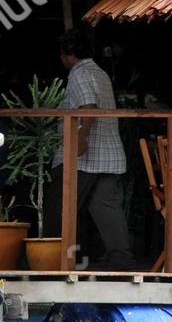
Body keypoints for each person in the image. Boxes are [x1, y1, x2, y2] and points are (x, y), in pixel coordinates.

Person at [44, 30, 132, 270]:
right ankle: (120, 258)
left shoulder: (80, 73)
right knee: (104, 206)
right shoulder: (99, 73)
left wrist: (80, 140)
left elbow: (88, 107)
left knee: (59, 204)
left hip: (85, 157)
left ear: (68, 55)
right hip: (110, 155)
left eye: (62, 54)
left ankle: (51, 260)